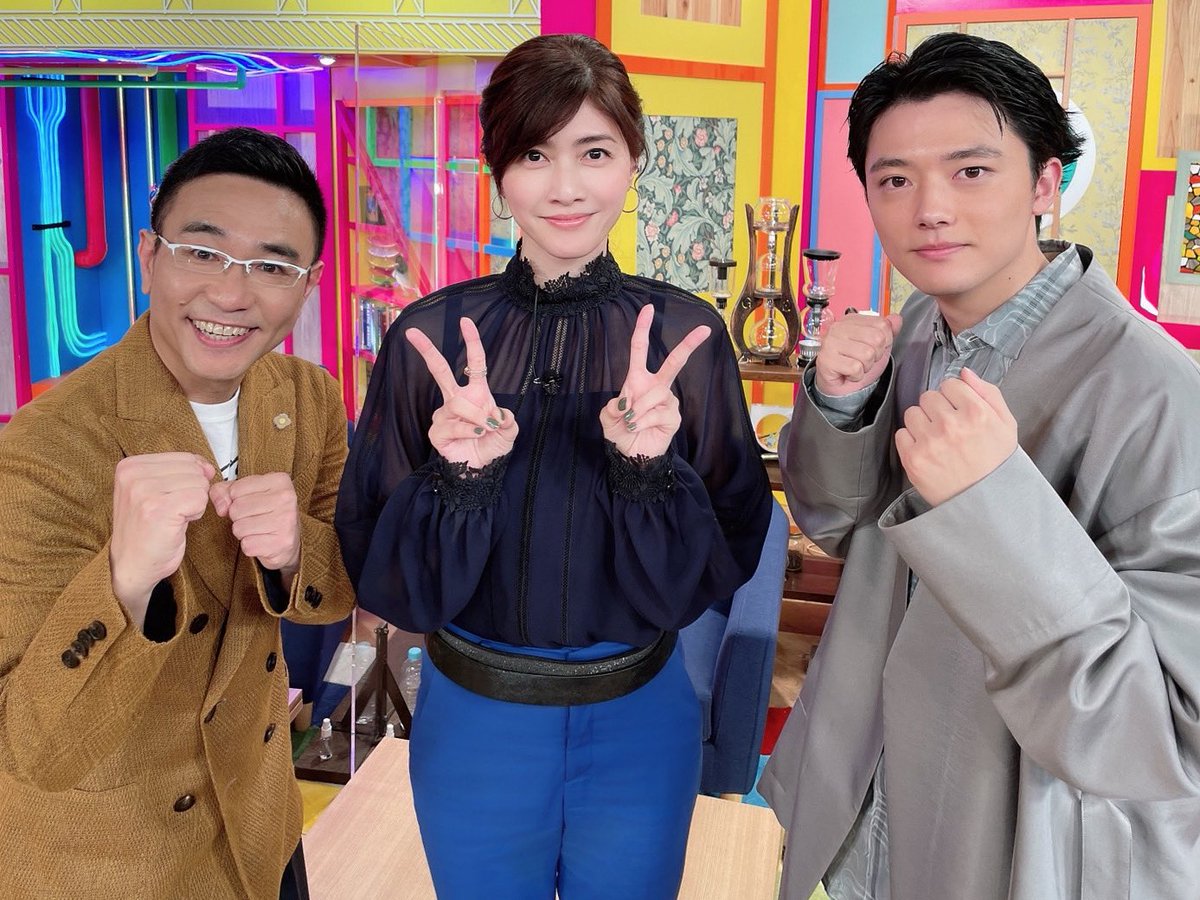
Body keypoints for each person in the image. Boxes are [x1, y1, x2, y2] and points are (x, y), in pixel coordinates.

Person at [759, 31, 1200, 900]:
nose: (930, 209)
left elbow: (1161, 728)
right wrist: (841, 406)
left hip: (1016, 835)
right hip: (863, 799)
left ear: (1044, 183)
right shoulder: (917, 330)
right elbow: (841, 528)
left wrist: (993, 505)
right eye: (894, 179)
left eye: (970, 171)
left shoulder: (1157, 394)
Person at [336, 33, 772, 899]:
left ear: (633, 161)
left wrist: (647, 470)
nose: (565, 187)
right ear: (497, 169)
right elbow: (382, 570)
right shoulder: (430, 339)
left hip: (640, 719)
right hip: (475, 722)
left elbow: (726, 554)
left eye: (594, 152)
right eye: (534, 154)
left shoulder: (685, 339)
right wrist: (459, 480)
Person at [0, 127, 355, 900]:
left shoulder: (308, 398)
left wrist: (295, 551)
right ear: (148, 256)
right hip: (115, 864)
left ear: (308, 286)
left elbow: (339, 583)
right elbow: (27, 745)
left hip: (260, 828)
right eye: (202, 252)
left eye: (272, 266)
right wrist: (123, 583)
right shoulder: (43, 448)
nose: (230, 294)